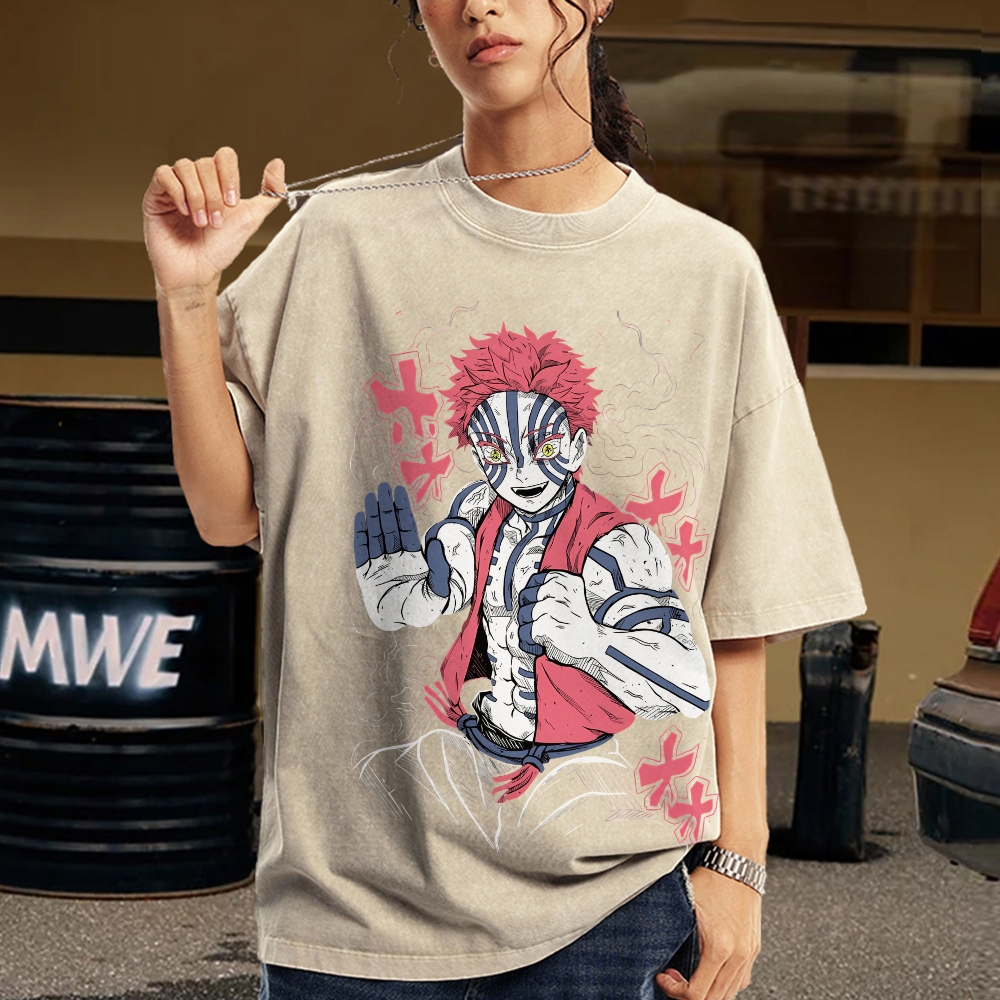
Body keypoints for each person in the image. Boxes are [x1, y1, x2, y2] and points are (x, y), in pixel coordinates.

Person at [142, 2, 865, 998]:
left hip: (610, 905)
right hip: (353, 914)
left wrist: (736, 864)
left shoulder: (706, 272)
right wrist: (186, 296)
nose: (481, 3)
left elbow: (735, 612)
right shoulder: (339, 238)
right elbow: (226, 513)